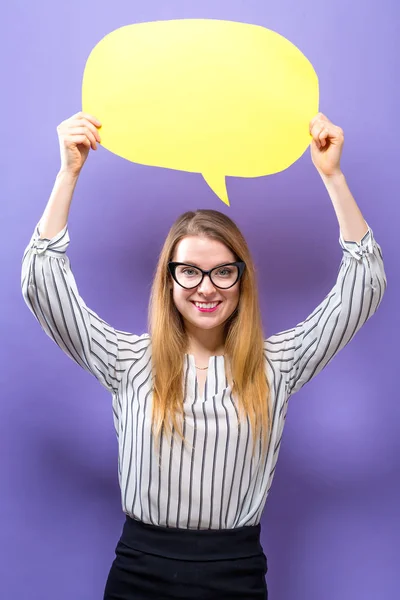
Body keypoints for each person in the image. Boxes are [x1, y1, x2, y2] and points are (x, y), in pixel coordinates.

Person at [21, 111, 386, 600]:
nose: (206, 288)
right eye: (189, 272)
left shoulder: (277, 365)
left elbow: (365, 282)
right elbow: (41, 284)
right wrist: (69, 172)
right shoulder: (129, 362)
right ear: (169, 280)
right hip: (139, 574)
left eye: (222, 272)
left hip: (234, 576)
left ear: (242, 279)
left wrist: (333, 176)